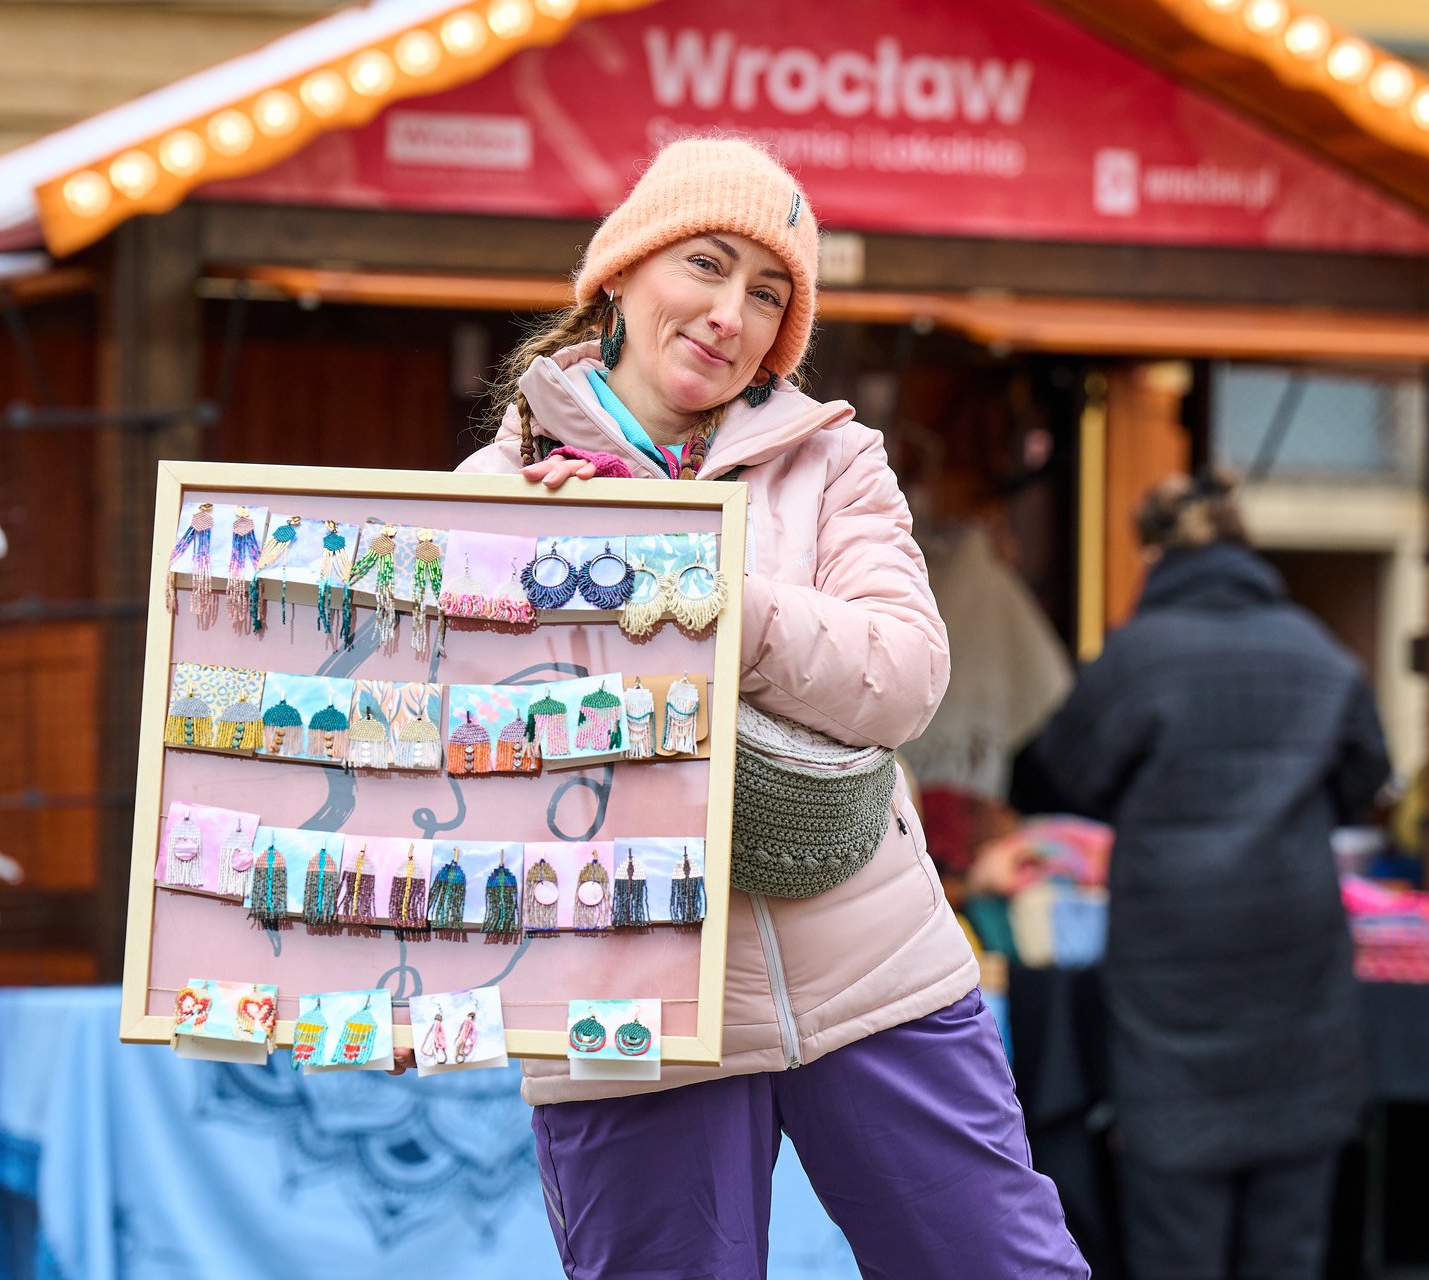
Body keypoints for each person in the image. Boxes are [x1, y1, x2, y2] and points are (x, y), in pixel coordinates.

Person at [447, 136, 1089, 1279]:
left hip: (877, 975)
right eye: (704, 264)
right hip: (627, 1011)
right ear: (622, 272)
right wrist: (571, 581)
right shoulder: (494, 494)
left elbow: (903, 674)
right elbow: (457, 757)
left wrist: (704, 590)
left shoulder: (833, 459)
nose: (728, 314)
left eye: (767, 294)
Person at [1014, 470, 1391, 1280]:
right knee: (1289, 1242)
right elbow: (1369, 776)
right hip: (1298, 974)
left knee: (1175, 1235)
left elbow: (1054, 773)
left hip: (1170, 979)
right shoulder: (1318, 651)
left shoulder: (1137, 657)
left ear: (1153, 555)